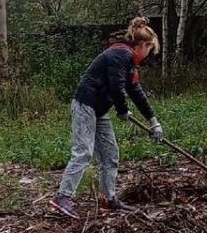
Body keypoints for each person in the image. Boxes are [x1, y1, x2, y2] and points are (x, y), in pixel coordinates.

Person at [50, 16, 164, 219]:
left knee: (110, 154)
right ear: (143, 45)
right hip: (85, 105)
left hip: (99, 111)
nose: (149, 54)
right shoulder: (119, 55)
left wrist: (153, 121)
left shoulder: (129, 62)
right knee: (83, 152)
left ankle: (108, 199)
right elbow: (116, 86)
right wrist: (122, 109)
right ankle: (62, 197)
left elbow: (136, 92)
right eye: (150, 49)